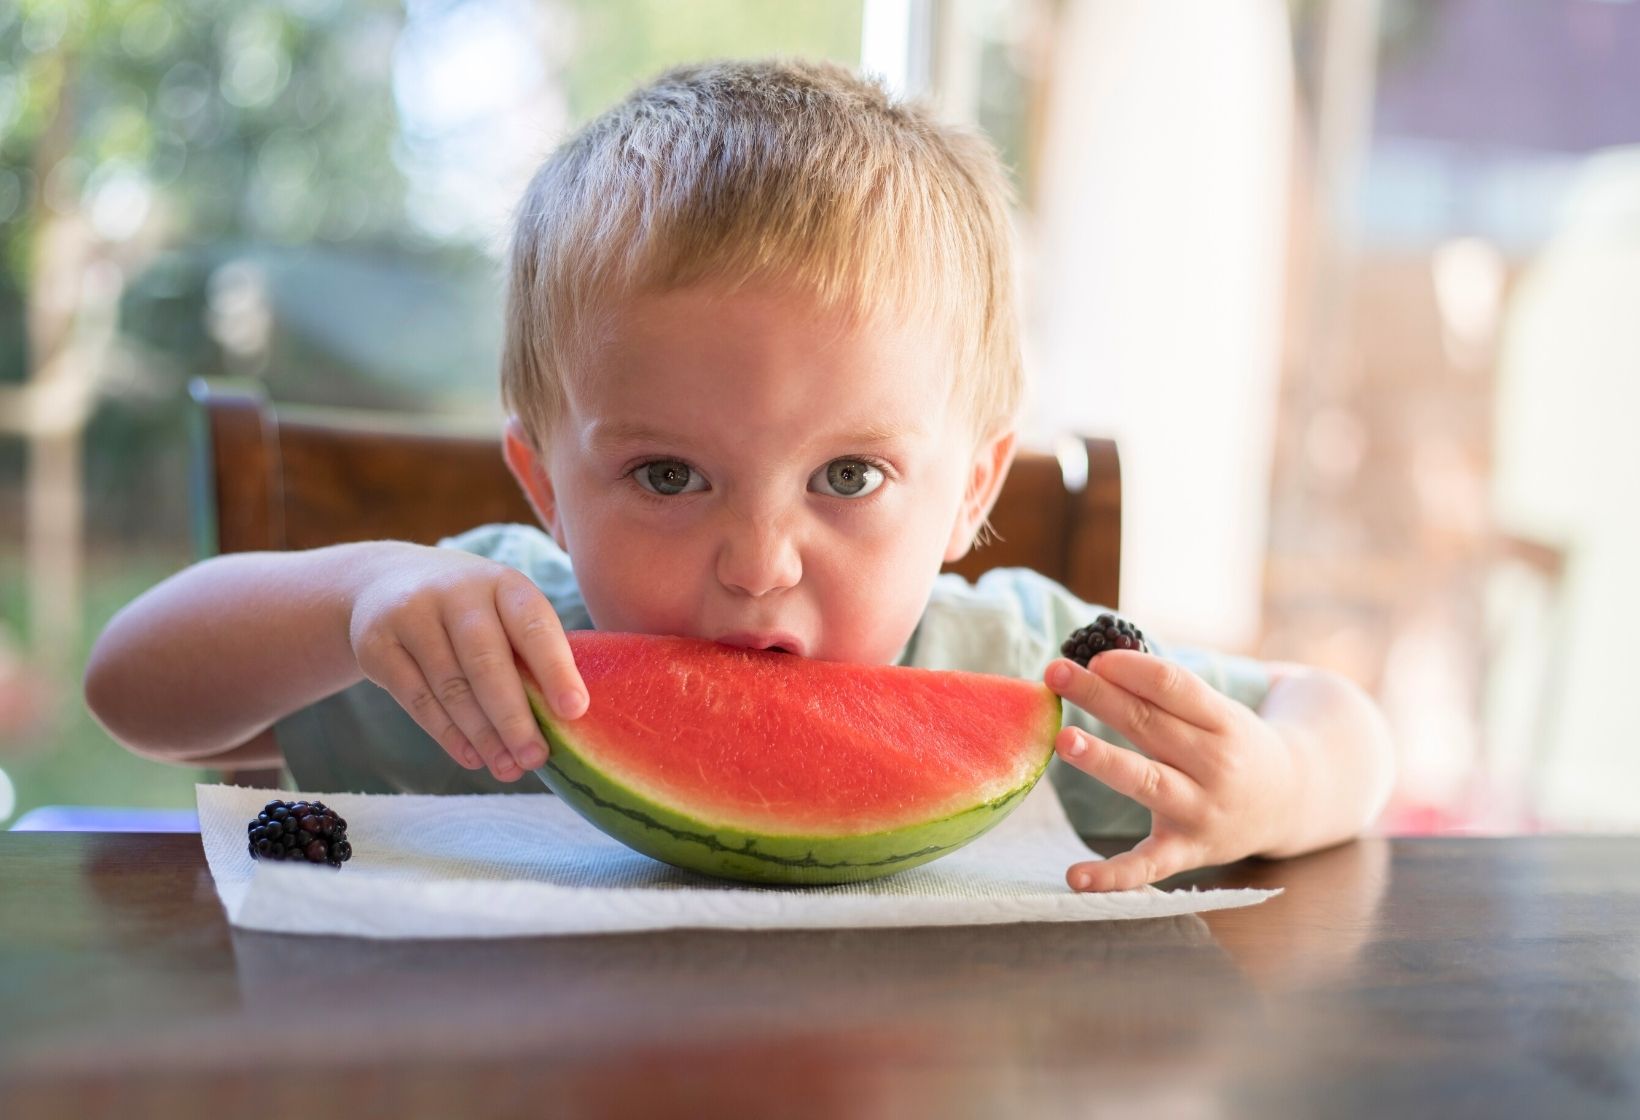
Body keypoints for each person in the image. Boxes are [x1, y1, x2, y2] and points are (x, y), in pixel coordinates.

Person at [84, 59, 1395, 892]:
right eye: (666, 476)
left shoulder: (1021, 668)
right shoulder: (491, 653)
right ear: (545, 488)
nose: (759, 561)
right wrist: (357, 601)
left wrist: (1277, 785)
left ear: (970, 489)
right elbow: (133, 690)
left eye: (851, 476)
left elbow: (1337, 715)